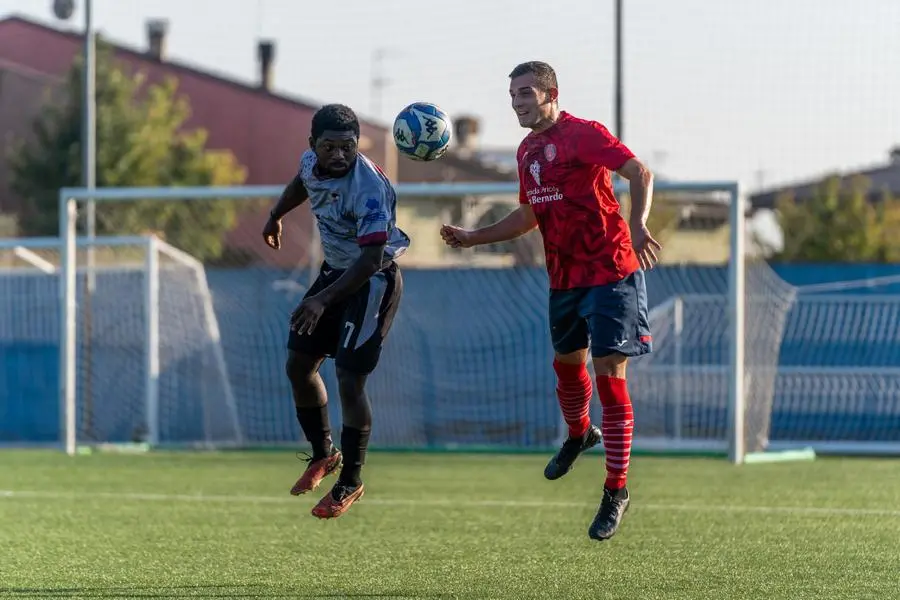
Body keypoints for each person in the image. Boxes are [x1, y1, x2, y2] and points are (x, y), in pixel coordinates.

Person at [440, 61, 660, 541]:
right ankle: (579, 433)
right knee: (566, 366)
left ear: (550, 93)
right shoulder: (526, 150)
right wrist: (473, 238)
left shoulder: (584, 134)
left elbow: (639, 171)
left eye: (525, 94)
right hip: (563, 277)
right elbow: (528, 215)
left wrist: (640, 224)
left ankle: (616, 489)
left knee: (609, 376)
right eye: (512, 95)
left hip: (610, 272)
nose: (517, 103)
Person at [263, 103, 408, 519]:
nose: (339, 155)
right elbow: (303, 181)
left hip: (372, 281)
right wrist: (275, 216)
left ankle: (352, 480)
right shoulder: (311, 162)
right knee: (298, 365)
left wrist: (322, 299)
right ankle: (324, 454)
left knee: (348, 377)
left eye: (347, 147)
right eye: (330, 147)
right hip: (335, 273)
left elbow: (370, 260)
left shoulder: (369, 190)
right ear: (314, 145)